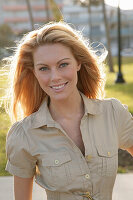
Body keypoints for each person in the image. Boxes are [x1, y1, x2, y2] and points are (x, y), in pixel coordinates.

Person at [5, 21, 133, 200]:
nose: (55, 77)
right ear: (34, 72)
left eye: (63, 64)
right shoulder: (24, 134)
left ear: (78, 63)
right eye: (43, 68)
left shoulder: (113, 113)